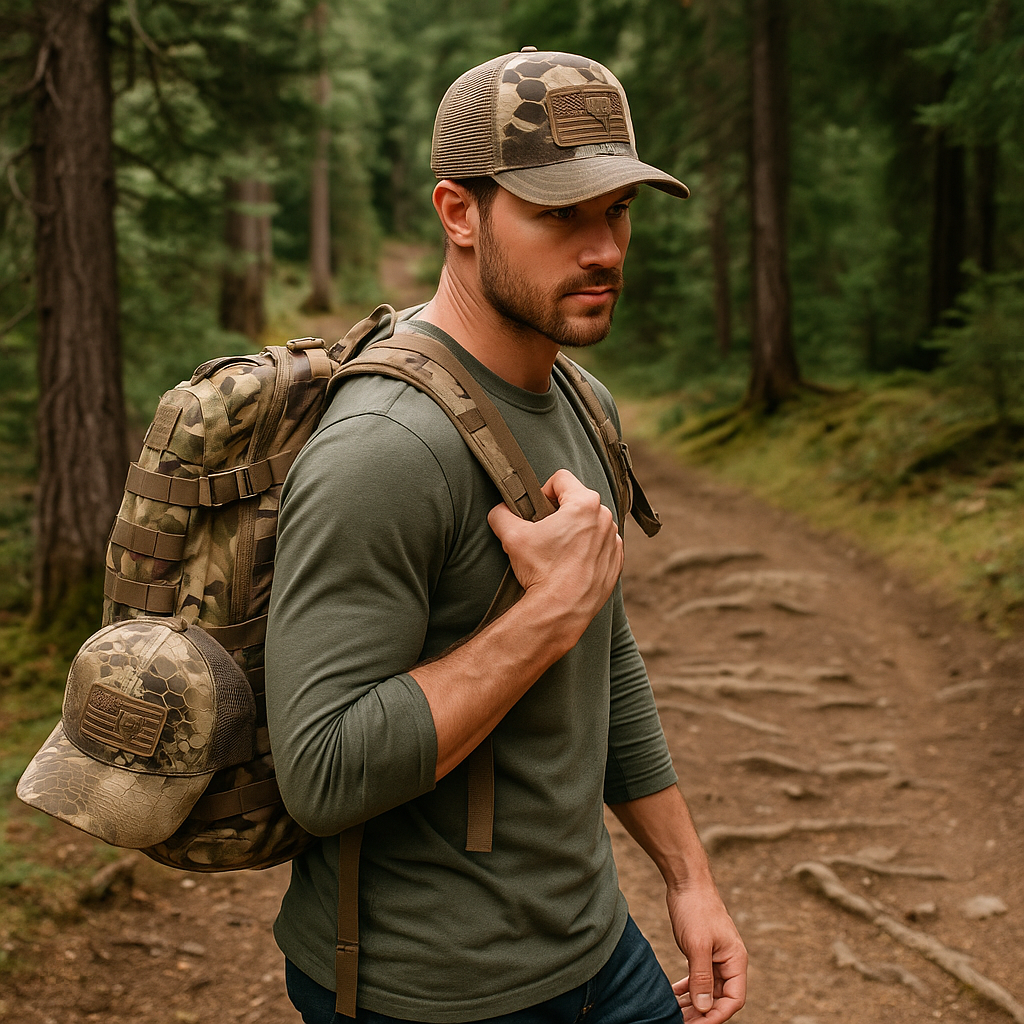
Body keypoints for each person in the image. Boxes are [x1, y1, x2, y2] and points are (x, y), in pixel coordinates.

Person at [264, 48, 747, 1024]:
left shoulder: (579, 394)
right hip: (425, 989)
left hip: (593, 946)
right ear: (459, 213)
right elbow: (318, 770)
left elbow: (602, 649)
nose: (604, 247)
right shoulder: (385, 448)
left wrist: (687, 875)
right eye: (558, 213)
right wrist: (548, 611)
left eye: (615, 209)